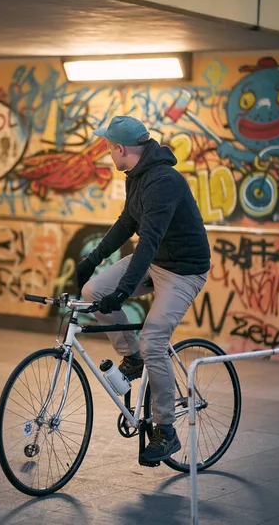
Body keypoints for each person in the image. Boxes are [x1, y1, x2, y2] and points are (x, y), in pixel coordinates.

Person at [76, 115, 210, 464]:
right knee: (92, 291)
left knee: (154, 341)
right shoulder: (135, 176)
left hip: (183, 272)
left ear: (120, 149)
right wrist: (92, 260)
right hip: (155, 262)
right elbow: (127, 223)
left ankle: (165, 430)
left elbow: (148, 240)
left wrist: (122, 292)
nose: (108, 154)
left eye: (108, 148)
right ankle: (131, 358)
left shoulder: (164, 181)